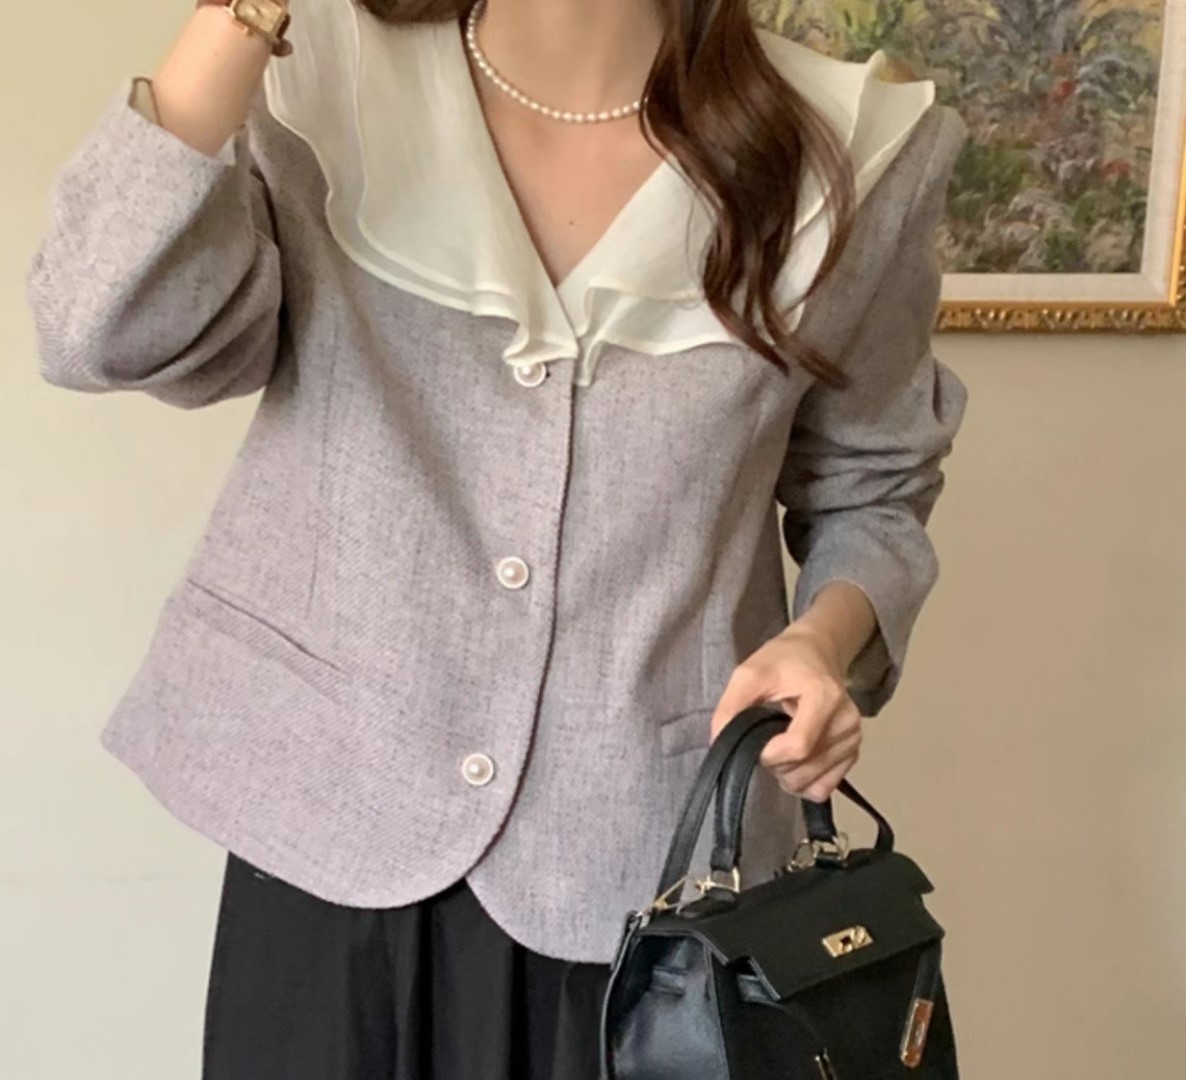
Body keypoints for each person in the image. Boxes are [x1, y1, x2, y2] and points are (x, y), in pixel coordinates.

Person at [24, 0, 970, 1077]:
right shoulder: (318, 76)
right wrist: (238, 16)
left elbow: (875, 487)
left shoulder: (849, 150)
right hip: (329, 838)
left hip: (642, 881)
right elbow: (97, 327)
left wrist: (821, 641)